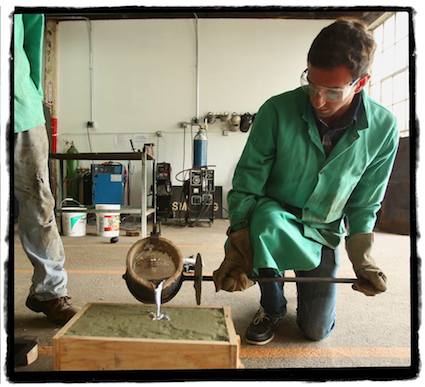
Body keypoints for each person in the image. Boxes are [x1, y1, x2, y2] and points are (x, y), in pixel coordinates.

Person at [213, 19, 399, 345]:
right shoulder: (276, 111)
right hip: (274, 222)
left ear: (361, 82)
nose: (317, 99)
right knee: (265, 220)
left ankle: (310, 303)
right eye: (312, 84)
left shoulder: (383, 128)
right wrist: (239, 243)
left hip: (324, 228)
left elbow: (366, 201)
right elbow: (247, 182)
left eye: (332, 91)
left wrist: (362, 258)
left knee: (315, 331)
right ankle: (271, 306)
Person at [14, 13, 77, 324]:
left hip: (21, 108)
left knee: (39, 203)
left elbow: (32, 33)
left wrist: (31, 95)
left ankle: (49, 293)